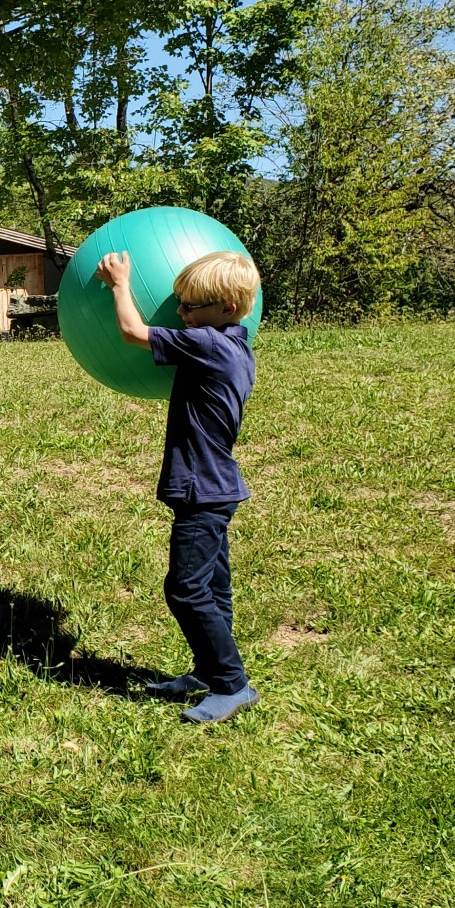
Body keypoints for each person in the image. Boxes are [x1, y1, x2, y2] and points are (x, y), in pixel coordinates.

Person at [94, 248, 261, 724]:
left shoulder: (209, 344)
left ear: (227, 308)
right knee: (213, 586)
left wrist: (120, 284)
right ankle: (211, 672)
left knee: (185, 589)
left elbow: (131, 332)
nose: (180, 314)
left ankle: (232, 685)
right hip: (215, 486)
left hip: (202, 491)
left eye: (189, 307)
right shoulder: (234, 344)